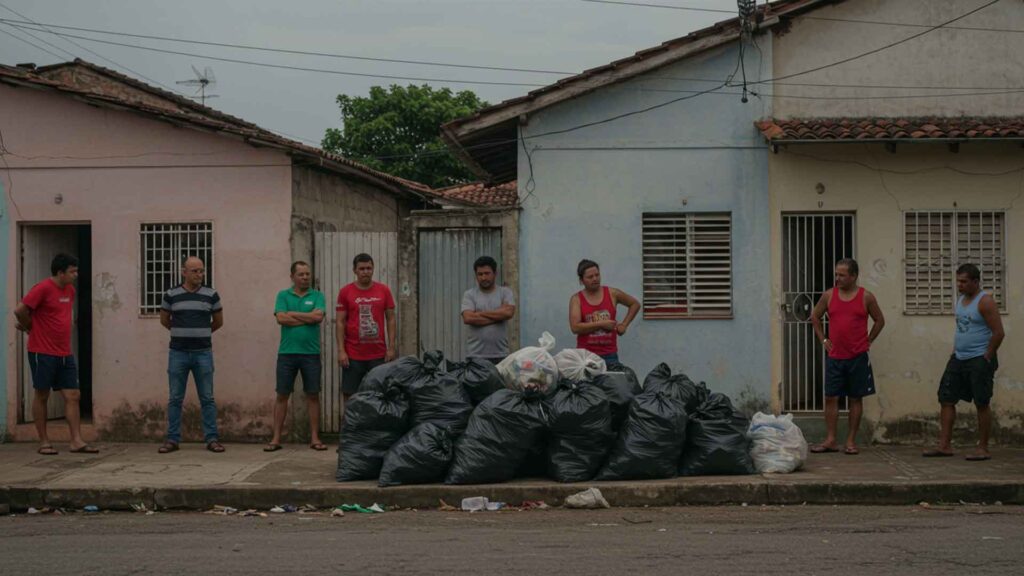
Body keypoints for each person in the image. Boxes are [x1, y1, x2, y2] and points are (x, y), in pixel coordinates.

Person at [13, 253, 98, 455]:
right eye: (72, 271)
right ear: (60, 272)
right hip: (42, 351)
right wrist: (29, 327)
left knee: (73, 395)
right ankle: (44, 442)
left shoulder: (70, 290)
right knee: (42, 394)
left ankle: (76, 441)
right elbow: (19, 310)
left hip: (64, 352)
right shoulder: (42, 288)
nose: (76, 275)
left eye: (76, 271)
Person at [924, 263, 1004, 461]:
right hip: (958, 357)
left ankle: (983, 447)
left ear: (975, 282)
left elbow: (999, 333)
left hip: (979, 359)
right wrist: (955, 351)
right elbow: (961, 328)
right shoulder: (960, 300)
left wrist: (987, 356)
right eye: (958, 281)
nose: (959, 285)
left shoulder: (985, 302)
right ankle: (944, 445)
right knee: (946, 398)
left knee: (981, 401)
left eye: (964, 281)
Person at [809, 258, 885, 456]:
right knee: (831, 397)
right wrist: (823, 340)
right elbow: (815, 317)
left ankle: (851, 441)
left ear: (853, 276)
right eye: (836, 274)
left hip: (858, 356)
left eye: (842, 275)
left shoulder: (866, 297)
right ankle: (831, 439)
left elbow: (879, 320)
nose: (838, 278)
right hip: (835, 356)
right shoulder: (829, 295)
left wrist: (869, 340)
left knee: (855, 398)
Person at [159, 256, 224, 454]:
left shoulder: (211, 295)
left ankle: (212, 439)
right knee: (175, 398)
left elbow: (218, 322)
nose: (199, 275)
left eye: (202, 271)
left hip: (203, 353)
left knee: (207, 398)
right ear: (184, 272)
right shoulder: (171, 295)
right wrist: (183, 332)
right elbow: (165, 320)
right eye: (195, 271)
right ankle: (172, 439)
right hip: (178, 353)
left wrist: (200, 333)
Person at [265, 261, 327, 452]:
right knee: (282, 395)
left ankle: (315, 438)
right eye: (301, 274)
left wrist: (292, 314)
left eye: (308, 274)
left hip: (311, 353)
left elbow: (318, 317)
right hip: (287, 354)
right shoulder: (283, 295)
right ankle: (276, 438)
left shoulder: (318, 295)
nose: (305, 277)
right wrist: (306, 317)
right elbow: (280, 318)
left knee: (313, 395)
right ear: (292, 276)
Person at [336, 253, 396, 400]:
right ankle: (351, 423)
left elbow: (391, 319)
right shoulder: (345, 292)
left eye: (369, 268)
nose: (365, 272)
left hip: (378, 355)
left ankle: (375, 424)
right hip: (353, 355)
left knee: (379, 394)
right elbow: (340, 322)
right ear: (355, 270)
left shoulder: (384, 290)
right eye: (362, 269)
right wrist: (341, 351)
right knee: (350, 395)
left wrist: (391, 347)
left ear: (373, 269)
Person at [568, 259, 640, 365]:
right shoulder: (576, 299)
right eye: (590, 277)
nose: (595, 279)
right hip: (585, 356)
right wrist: (602, 324)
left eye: (597, 275)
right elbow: (575, 327)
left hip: (609, 355)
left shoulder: (612, 294)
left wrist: (624, 325)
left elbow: (635, 304)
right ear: (581, 280)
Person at [461, 256, 516, 364]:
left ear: (495, 274)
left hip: (501, 355)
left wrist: (478, 314)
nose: (483, 278)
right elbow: (468, 318)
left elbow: (508, 313)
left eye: (487, 273)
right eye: (480, 274)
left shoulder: (505, 292)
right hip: (475, 355)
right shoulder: (469, 295)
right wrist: (499, 316)